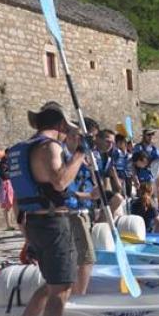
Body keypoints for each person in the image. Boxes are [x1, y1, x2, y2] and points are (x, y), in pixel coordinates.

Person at [10, 101, 86, 316]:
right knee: (61, 288)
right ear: (62, 125)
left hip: (34, 223)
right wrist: (80, 154)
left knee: (51, 283)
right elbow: (60, 181)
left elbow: (17, 198)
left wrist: (26, 234)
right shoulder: (49, 147)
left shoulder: (23, 149)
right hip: (53, 223)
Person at [64, 124, 97, 296]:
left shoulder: (80, 158)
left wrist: (91, 168)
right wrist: (89, 196)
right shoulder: (65, 157)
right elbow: (65, 188)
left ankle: (77, 292)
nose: (83, 141)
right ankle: (79, 296)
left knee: (81, 256)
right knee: (86, 257)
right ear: (69, 137)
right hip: (73, 211)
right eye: (79, 136)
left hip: (83, 211)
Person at [0, 150, 15, 231]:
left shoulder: (8, 162)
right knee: (8, 205)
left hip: (10, 184)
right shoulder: (3, 163)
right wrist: (13, 174)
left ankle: (10, 224)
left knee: (11, 205)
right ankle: (8, 224)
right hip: (6, 185)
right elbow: (4, 175)